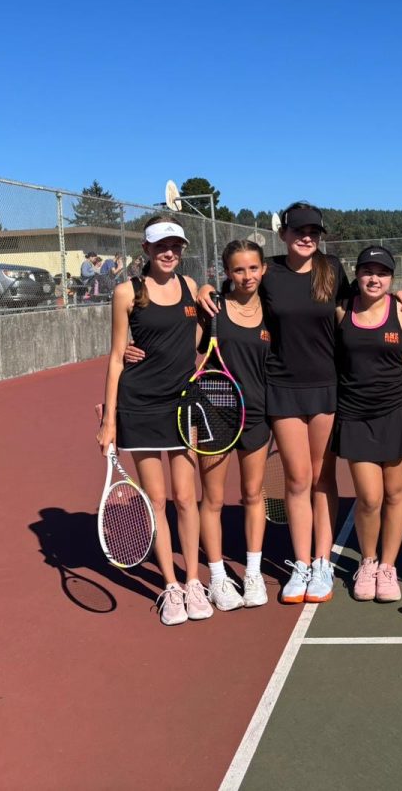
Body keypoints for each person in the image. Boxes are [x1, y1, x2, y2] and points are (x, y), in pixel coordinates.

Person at [198, 202, 349, 604]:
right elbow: (233, 292)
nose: (307, 236)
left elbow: (353, 311)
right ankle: (301, 564)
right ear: (283, 233)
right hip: (281, 388)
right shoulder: (270, 273)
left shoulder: (332, 269)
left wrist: (401, 300)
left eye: (314, 231)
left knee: (322, 477)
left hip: (325, 386)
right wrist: (203, 288)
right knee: (296, 479)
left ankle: (322, 562)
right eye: (299, 230)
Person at [125, 239, 273, 610]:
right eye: (238, 269)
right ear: (227, 273)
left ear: (264, 270)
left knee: (254, 495)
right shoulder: (212, 307)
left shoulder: (273, 311)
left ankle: (253, 574)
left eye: (253, 268)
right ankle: (219, 577)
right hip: (214, 414)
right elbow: (176, 334)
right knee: (214, 499)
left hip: (257, 414)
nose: (247, 275)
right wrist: (134, 349)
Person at [96, 217, 212, 626]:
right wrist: (109, 420)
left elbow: (198, 340)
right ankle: (170, 587)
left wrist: (211, 296)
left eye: (176, 245)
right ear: (145, 250)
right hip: (140, 403)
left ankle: (194, 581)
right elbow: (115, 356)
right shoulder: (127, 291)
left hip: (182, 403)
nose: (169, 252)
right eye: (161, 246)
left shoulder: (192, 287)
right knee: (157, 500)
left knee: (186, 497)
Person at [333, 247, 402, 603]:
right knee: (369, 498)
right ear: (357, 274)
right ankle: (367, 563)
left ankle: (388, 567)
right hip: (355, 414)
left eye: (382, 273)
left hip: (396, 412)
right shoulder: (341, 310)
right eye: (367, 271)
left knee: (395, 494)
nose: (374, 278)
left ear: (392, 278)